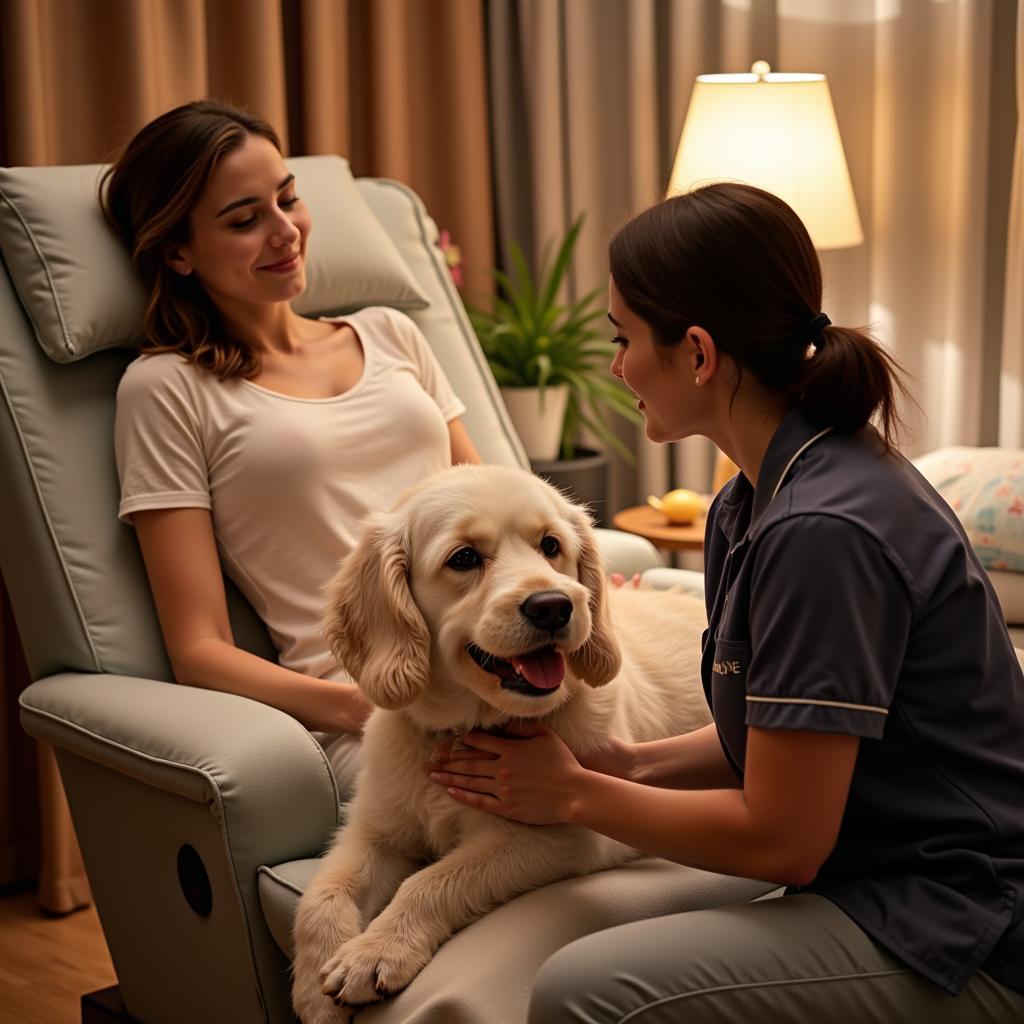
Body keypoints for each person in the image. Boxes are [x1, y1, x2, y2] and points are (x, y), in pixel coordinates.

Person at [427, 182, 1024, 1021]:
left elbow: (785, 839)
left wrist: (572, 795)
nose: (617, 365)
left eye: (623, 337)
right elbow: (779, 732)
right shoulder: (756, 497)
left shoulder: (821, 529)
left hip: (962, 918)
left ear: (698, 354)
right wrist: (627, 766)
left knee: (579, 990)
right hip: (892, 878)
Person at [104, 99, 480, 792]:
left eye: (288, 200)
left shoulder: (391, 333)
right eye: (245, 220)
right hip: (370, 706)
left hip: (498, 657)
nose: (286, 232)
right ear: (178, 252)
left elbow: (491, 507)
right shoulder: (165, 390)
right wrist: (365, 706)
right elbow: (200, 651)